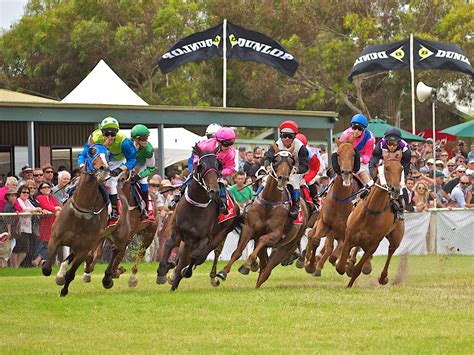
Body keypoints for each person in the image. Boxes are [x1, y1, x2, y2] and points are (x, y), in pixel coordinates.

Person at [77, 117, 137, 224]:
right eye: (106, 133)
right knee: (86, 178)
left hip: (116, 161)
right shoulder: (95, 137)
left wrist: (120, 169)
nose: (109, 137)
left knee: (111, 180)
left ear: (117, 132)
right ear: (101, 131)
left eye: (113, 134)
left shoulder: (125, 142)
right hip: (100, 159)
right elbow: (84, 154)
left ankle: (114, 209)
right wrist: (81, 165)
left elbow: (132, 160)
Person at [263, 120, 308, 219]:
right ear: (281, 136)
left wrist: (296, 170)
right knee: (265, 180)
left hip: (293, 170)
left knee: (294, 182)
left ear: (294, 137)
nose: (286, 139)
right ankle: (254, 199)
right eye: (284, 136)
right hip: (277, 170)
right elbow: (267, 158)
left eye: (290, 136)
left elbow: (305, 166)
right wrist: (267, 167)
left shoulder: (301, 148)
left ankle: (295, 207)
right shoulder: (276, 145)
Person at [369, 127, 411, 220]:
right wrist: (373, 177)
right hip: (383, 164)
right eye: (389, 143)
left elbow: (406, 167)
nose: (391, 146)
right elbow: (372, 162)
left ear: (399, 142)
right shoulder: (380, 145)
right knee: (370, 183)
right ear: (385, 141)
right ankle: (362, 197)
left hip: (398, 167)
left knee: (401, 186)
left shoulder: (405, 149)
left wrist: (401, 180)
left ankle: (401, 209)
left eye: (394, 143)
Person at [340, 114, 376, 186]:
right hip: (346, 159)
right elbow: (341, 151)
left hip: (361, 161)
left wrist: (358, 159)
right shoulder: (345, 135)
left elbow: (367, 156)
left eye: (359, 129)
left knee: (369, 183)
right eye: (354, 127)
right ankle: (326, 191)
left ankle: (369, 190)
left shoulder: (369, 137)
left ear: (364, 129)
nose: (356, 131)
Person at [11, 185, 42, 267]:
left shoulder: (28, 201)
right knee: (17, 248)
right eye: (24, 192)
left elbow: (33, 208)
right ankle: (13, 266)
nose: (26, 194)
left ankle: (16, 266)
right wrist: (36, 209)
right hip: (19, 227)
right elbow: (24, 209)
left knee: (25, 249)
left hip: (28, 228)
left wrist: (37, 209)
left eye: (27, 192)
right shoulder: (18, 200)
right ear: (19, 193)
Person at [130, 124, 156, 221]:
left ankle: (147, 210)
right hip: (128, 164)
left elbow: (151, 167)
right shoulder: (127, 145)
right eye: (143, 138)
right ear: (135, 139)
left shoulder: (149, 149)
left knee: (143, 182)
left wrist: (139, 176)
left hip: (142, 166)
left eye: (147, 137)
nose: (146, 140)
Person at [33, 182, 61, 267]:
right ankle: (36, 260)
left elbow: (59, 206)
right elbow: (46, 206)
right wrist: (55, 209)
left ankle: (38, 260)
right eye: (44, 187)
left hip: (52, 223)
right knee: (45, 244)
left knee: (49, 244)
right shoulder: (40, 197)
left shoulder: (50, 197)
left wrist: (56, 208)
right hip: (44, 224)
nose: (47, 189)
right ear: (41, 190)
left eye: (48, 187)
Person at [296, 133, 321, 207]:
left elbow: (314, 169)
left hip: (307, 171)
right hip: (293, 171)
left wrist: (305, 179)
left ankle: (315, 201)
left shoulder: (311, 155)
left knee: (310, 182)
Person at [0, 189, 17, 267]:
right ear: (8, 197)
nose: (14, 197)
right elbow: (7, 219)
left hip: (7, 230)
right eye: (12, 196)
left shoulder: (11, 206)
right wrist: (9, 231)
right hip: (4, 231)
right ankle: (3, 267)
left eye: (15, 195)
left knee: (9, 249)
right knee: (5, 250)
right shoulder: (8, 206)